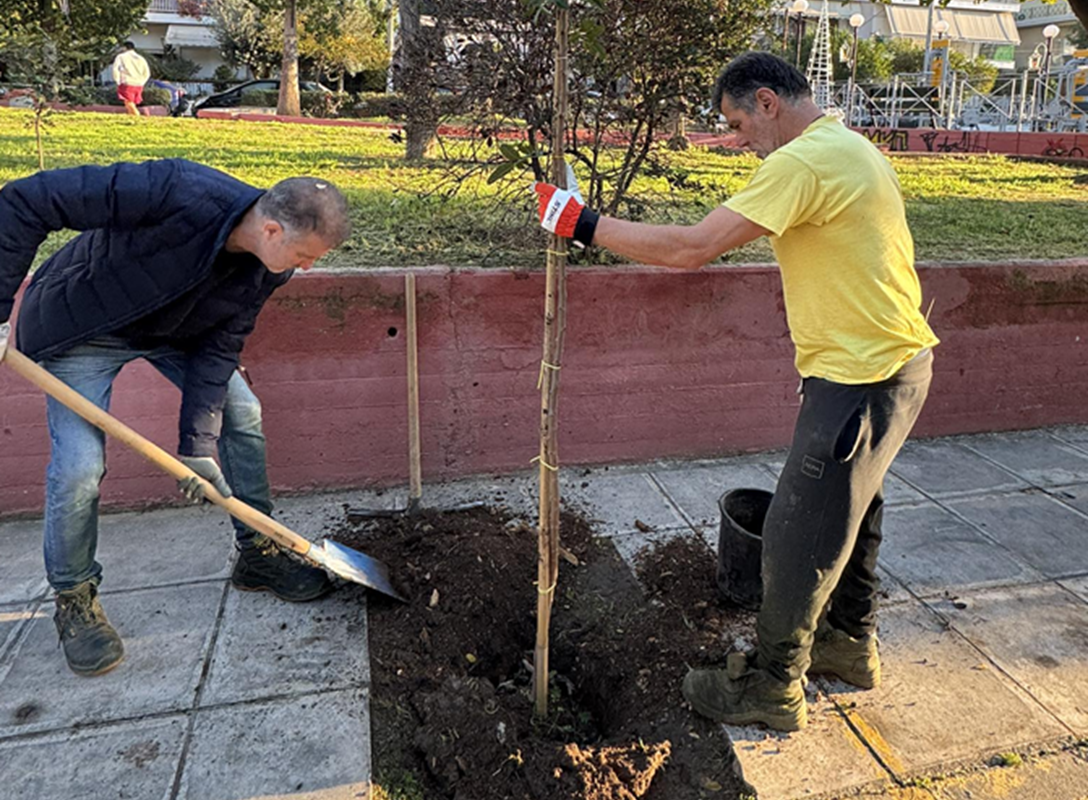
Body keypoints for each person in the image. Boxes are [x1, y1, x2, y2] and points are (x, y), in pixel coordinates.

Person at [533, 52, 939, 731]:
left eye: (737, 123)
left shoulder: (803, 161)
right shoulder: (848, 146)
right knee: (854, 515)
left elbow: (691, 249)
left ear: (767, 101)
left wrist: (580, 223)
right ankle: (849, 645)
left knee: (797, 533)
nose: (738, 138)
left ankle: (773, 687)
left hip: (860, 376)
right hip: (897, 365)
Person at [0, 159, 352, 677]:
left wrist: (198, 448)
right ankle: (74, 596)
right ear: (273, 229)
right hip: (83, 329)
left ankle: (257, 549)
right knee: (78, 469)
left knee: (242, 410)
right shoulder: (176, 190)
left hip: (174, 333)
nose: (306, 268)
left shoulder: (266, 267)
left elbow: (220, 347)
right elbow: (26, 200)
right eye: (304, 255)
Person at [111, 42, 151, 117]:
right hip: (139, 84)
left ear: (125, 48)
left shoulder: (121, 57)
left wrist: (117, 80)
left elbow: (115, 69)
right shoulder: (141, 58)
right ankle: (132, 117)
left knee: (128, 102)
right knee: (132, 103)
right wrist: (143, 82)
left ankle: (137, 116)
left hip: (127, 82)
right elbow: (147, 73)